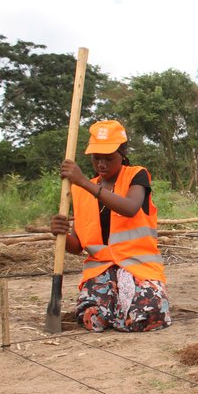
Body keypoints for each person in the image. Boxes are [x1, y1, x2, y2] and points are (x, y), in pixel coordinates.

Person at [50, 120, 171, 332]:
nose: (102, 164)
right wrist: (60, 233)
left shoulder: (136, 175)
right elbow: (77, 246)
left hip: (137, 265)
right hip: (102, 269)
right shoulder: (79, 191)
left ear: (122, 154)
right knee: (93, 319)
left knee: (147, 317)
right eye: (96, 158)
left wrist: (85, 183)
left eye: (108, 158)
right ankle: (115, 309)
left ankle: (126, 308)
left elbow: (131, 207)